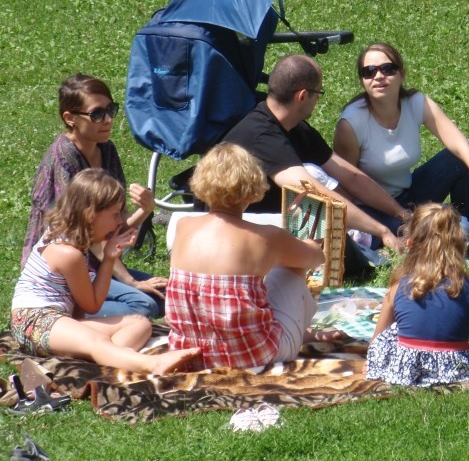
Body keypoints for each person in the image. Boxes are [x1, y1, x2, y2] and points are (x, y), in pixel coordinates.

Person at [10, 169, 199, 374]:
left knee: (140, 324)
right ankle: (150, 364)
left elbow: (80, 309)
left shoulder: (73, 237)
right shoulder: (67, 253)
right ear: (90, 215)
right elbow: (92, 305)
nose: (119, 221)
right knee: (96, 339)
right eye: (115, 214)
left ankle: (102, 359)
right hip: (33, 321)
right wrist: (109, 258)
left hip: (60, 320)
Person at [224, 54, 409, 252]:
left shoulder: (296, 127)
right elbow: (310, 190)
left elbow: (350, 176)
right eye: (318, 93)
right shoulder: (261, 135)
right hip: (243, 233)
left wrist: (401, 213)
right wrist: (381, 231)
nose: (317, 101)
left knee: (413, 223)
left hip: (299, 222)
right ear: (302, 96)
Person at [166, 143, 325, 370]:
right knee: (292, 269)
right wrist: (311, 241)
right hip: (250, 356)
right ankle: (298, 331)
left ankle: (295, 330)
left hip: (189, 354)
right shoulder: (267, 237)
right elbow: (314, 259)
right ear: (252, 186)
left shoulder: (183, 226)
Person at [333, 42, 469, 246]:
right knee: (460, 231)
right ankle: (461, 234)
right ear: (362, 80)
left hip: (409, 194)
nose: (379, 76)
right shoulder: (351, 124)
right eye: (369, 72)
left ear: (402, 74)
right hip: (373, 209)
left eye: (387, 69)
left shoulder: (416, 103)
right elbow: (344, 184)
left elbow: (462, 146)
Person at [22, 74, 165, 318]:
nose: (108, 120)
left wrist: (146, 209)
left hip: (97, 262)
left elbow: (111, 228)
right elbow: (87, 235)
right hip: (66, 275)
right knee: (145, 305)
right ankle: (69, 320)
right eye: (97, 114)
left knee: (167, 295)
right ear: (70, 118)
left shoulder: (106, 149)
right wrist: (130, 281)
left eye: (111, 110)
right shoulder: (63, 158)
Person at [366, 203, 469, 386]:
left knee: (390, 335)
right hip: (457, 369)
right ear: (460, 244)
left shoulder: (399, 286)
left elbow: (376, 339)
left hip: (405, 370)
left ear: (410, 244)